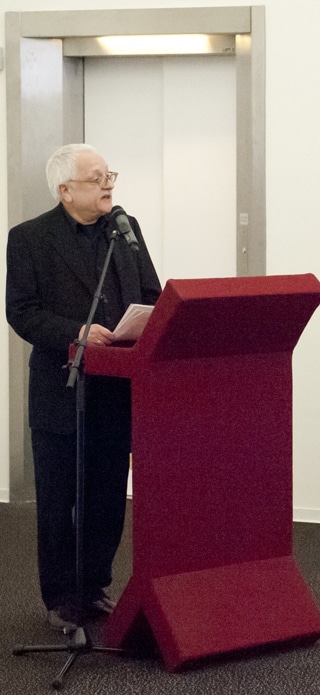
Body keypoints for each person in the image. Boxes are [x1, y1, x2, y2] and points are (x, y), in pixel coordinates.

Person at [5, 144, 162, 632]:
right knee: (59, 501)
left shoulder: (126, 229)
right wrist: (77, 331)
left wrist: (145, 322)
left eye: (109, 175)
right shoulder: (29, 238)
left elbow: (153, 294)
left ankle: (93, 587)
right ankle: (60, 599)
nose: (108, 184)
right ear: (65, 190)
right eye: (97, 178)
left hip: (116, 388)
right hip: (61, 389)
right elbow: (22, 312)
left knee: (107, 496)